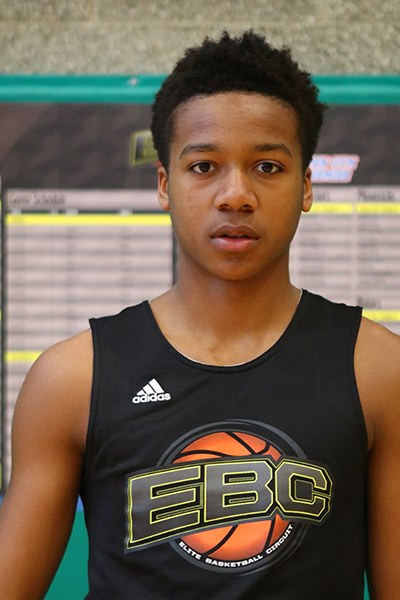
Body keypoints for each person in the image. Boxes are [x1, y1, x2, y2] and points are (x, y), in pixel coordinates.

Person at [0, 30, 399, 600]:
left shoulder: (379, 370)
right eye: (204, 166)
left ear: (306, 187)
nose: (236, 195)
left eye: (267, 166)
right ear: (165, 185)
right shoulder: (71, 379)